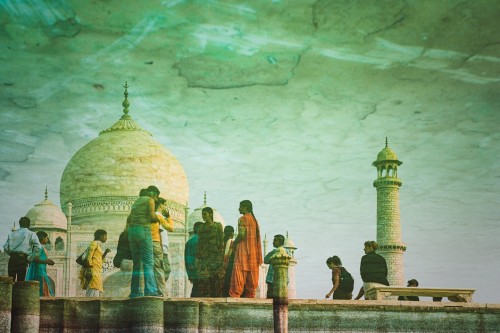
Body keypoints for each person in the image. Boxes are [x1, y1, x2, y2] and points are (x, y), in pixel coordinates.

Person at [128, 185, 161, 298]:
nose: (156, 200)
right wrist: (159, 219)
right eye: (156, 197)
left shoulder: (136, 202)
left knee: (137, 264)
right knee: (148, 262)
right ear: (153, 194)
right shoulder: (150, 199)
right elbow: (152, 217)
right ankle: (150, 290)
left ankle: (134, 292)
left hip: (132, 232)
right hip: (143, 230)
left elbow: (130, 219)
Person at [229, 200, 263, 298]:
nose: (239, 209)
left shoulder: (243, 219)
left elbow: (241, 235)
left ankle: (235, 298)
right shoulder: (254, 220)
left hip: (243, 251)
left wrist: (234, 243)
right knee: (251, 281)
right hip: (253, 253)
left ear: (245, 207)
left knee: (238, 276)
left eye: (240, 207)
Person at [3, 217, 42, 282]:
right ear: (29, 225)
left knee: (10, 281)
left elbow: (5, 247)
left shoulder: (12, 234)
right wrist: (30, 258)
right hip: (22, 259)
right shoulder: (31, 234)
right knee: (20, 282)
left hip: (12, 259)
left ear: (19, 224)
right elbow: (38, 247)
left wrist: (11, 254)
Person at [196, 207, 224, 297]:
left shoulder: (218, 226)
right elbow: (199, 244)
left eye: (205, 214)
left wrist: (221, 259)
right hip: (204, 260)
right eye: (202, 214)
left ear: (211, 214)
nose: (203, 216)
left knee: (215, 282)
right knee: (204, 283)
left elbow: (221, 243)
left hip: (215, 259)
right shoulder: (201, 228)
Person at [151, 197, 174, 297]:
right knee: (163, 269)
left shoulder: (159, 216)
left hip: (162, 247)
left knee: (163, 269)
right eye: (165, 205)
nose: (166, 207)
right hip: (159, 247)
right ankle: (159, 290)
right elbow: (168, 229)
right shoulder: (157, 216)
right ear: (160, 205)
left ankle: (158, 289)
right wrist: (168, 216)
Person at [79, 229, 111, 297]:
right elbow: (89, 256)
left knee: (95, 291)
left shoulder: (98, 245)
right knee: (92, 290)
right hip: (93, 272)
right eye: (105, 236)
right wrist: (90, 269)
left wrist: (105, 252)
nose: (106, 238)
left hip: (97, 271)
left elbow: (99, 260)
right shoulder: (94, 244)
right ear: (101, 236)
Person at [26, 231, 55, 296]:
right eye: (46, 237)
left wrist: (47, 261)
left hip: (41, 268)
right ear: (42, 238)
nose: (47, 239)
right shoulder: (38, 247)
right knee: (42, 287)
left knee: (41, 286)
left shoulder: (39, 246)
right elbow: (35, 258)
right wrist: (46, 261)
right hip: (38, 269)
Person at [264, 234, 290, 298]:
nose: (273, 242)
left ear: (279, 242)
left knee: (271, 298)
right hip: (284, 279)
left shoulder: (275, 251)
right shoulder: (287, 252)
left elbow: (265, 260)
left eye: (275, 241)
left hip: (272, 279)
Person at [185, 221, 202, 297]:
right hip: (200, 270)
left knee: (195, 289)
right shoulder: (201, 241)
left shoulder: (189, 242)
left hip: (192, 270)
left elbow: (186, 259)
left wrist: (189, 274)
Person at [222, 225, 235, 297]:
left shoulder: (222, 241)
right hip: (228, 266)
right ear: (232, 233)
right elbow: (227, 255)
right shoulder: (231, 241)